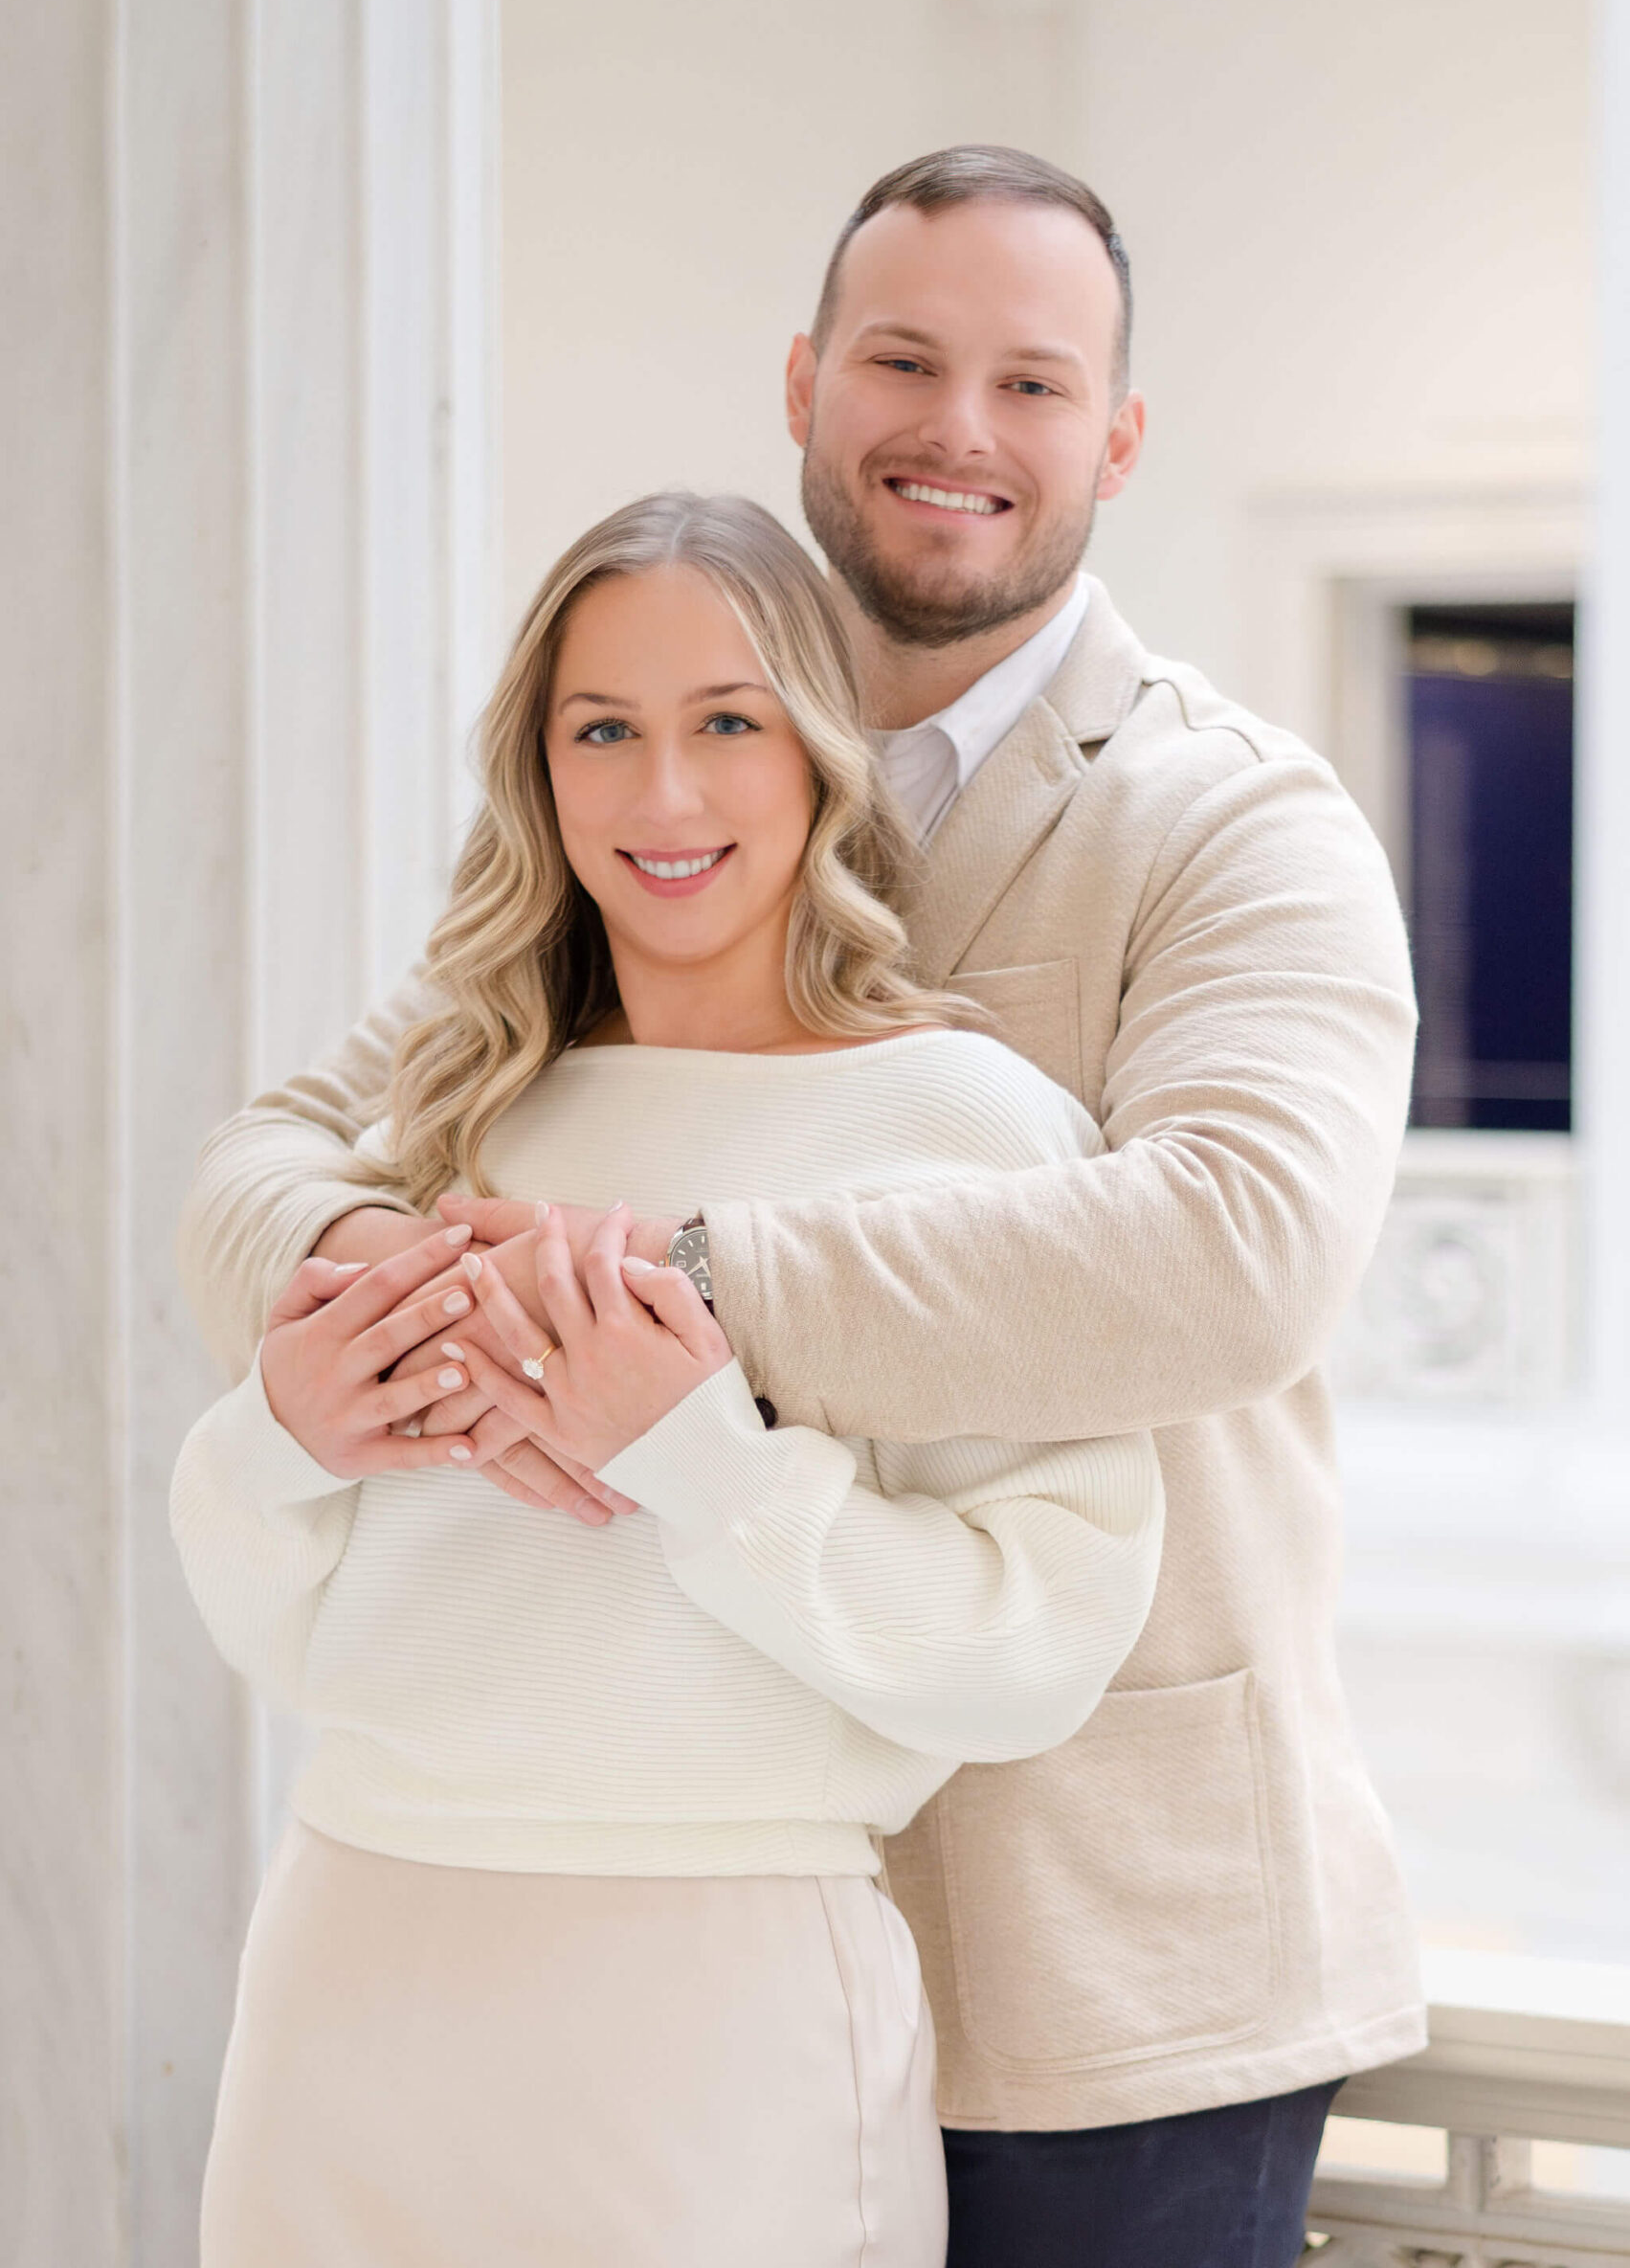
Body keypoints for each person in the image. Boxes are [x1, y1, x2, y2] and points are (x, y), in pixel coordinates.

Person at [179, 146, 1426, 2268]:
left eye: (1034, 383)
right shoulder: (676, 786)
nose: (959, 425)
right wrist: (391, 1298)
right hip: (669, 1923)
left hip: (1101, 1948)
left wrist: (650, 1297)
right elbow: (278, 1155)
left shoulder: (1234, 821)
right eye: (905, 358)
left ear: (1119, 437)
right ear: (805, 384)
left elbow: (1236, 1251)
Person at [171, 490, 1164, 2268]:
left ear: (820, 751)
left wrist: (706, 1459)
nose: (666, 795)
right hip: (350, 1960)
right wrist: (280, 1440)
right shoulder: (444, 1115)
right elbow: (277, 1625)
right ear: (539, 772)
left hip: (721, 1990)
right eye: (603, 731)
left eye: (728, 723)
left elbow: (1037, 1644)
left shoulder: (970, 1127)